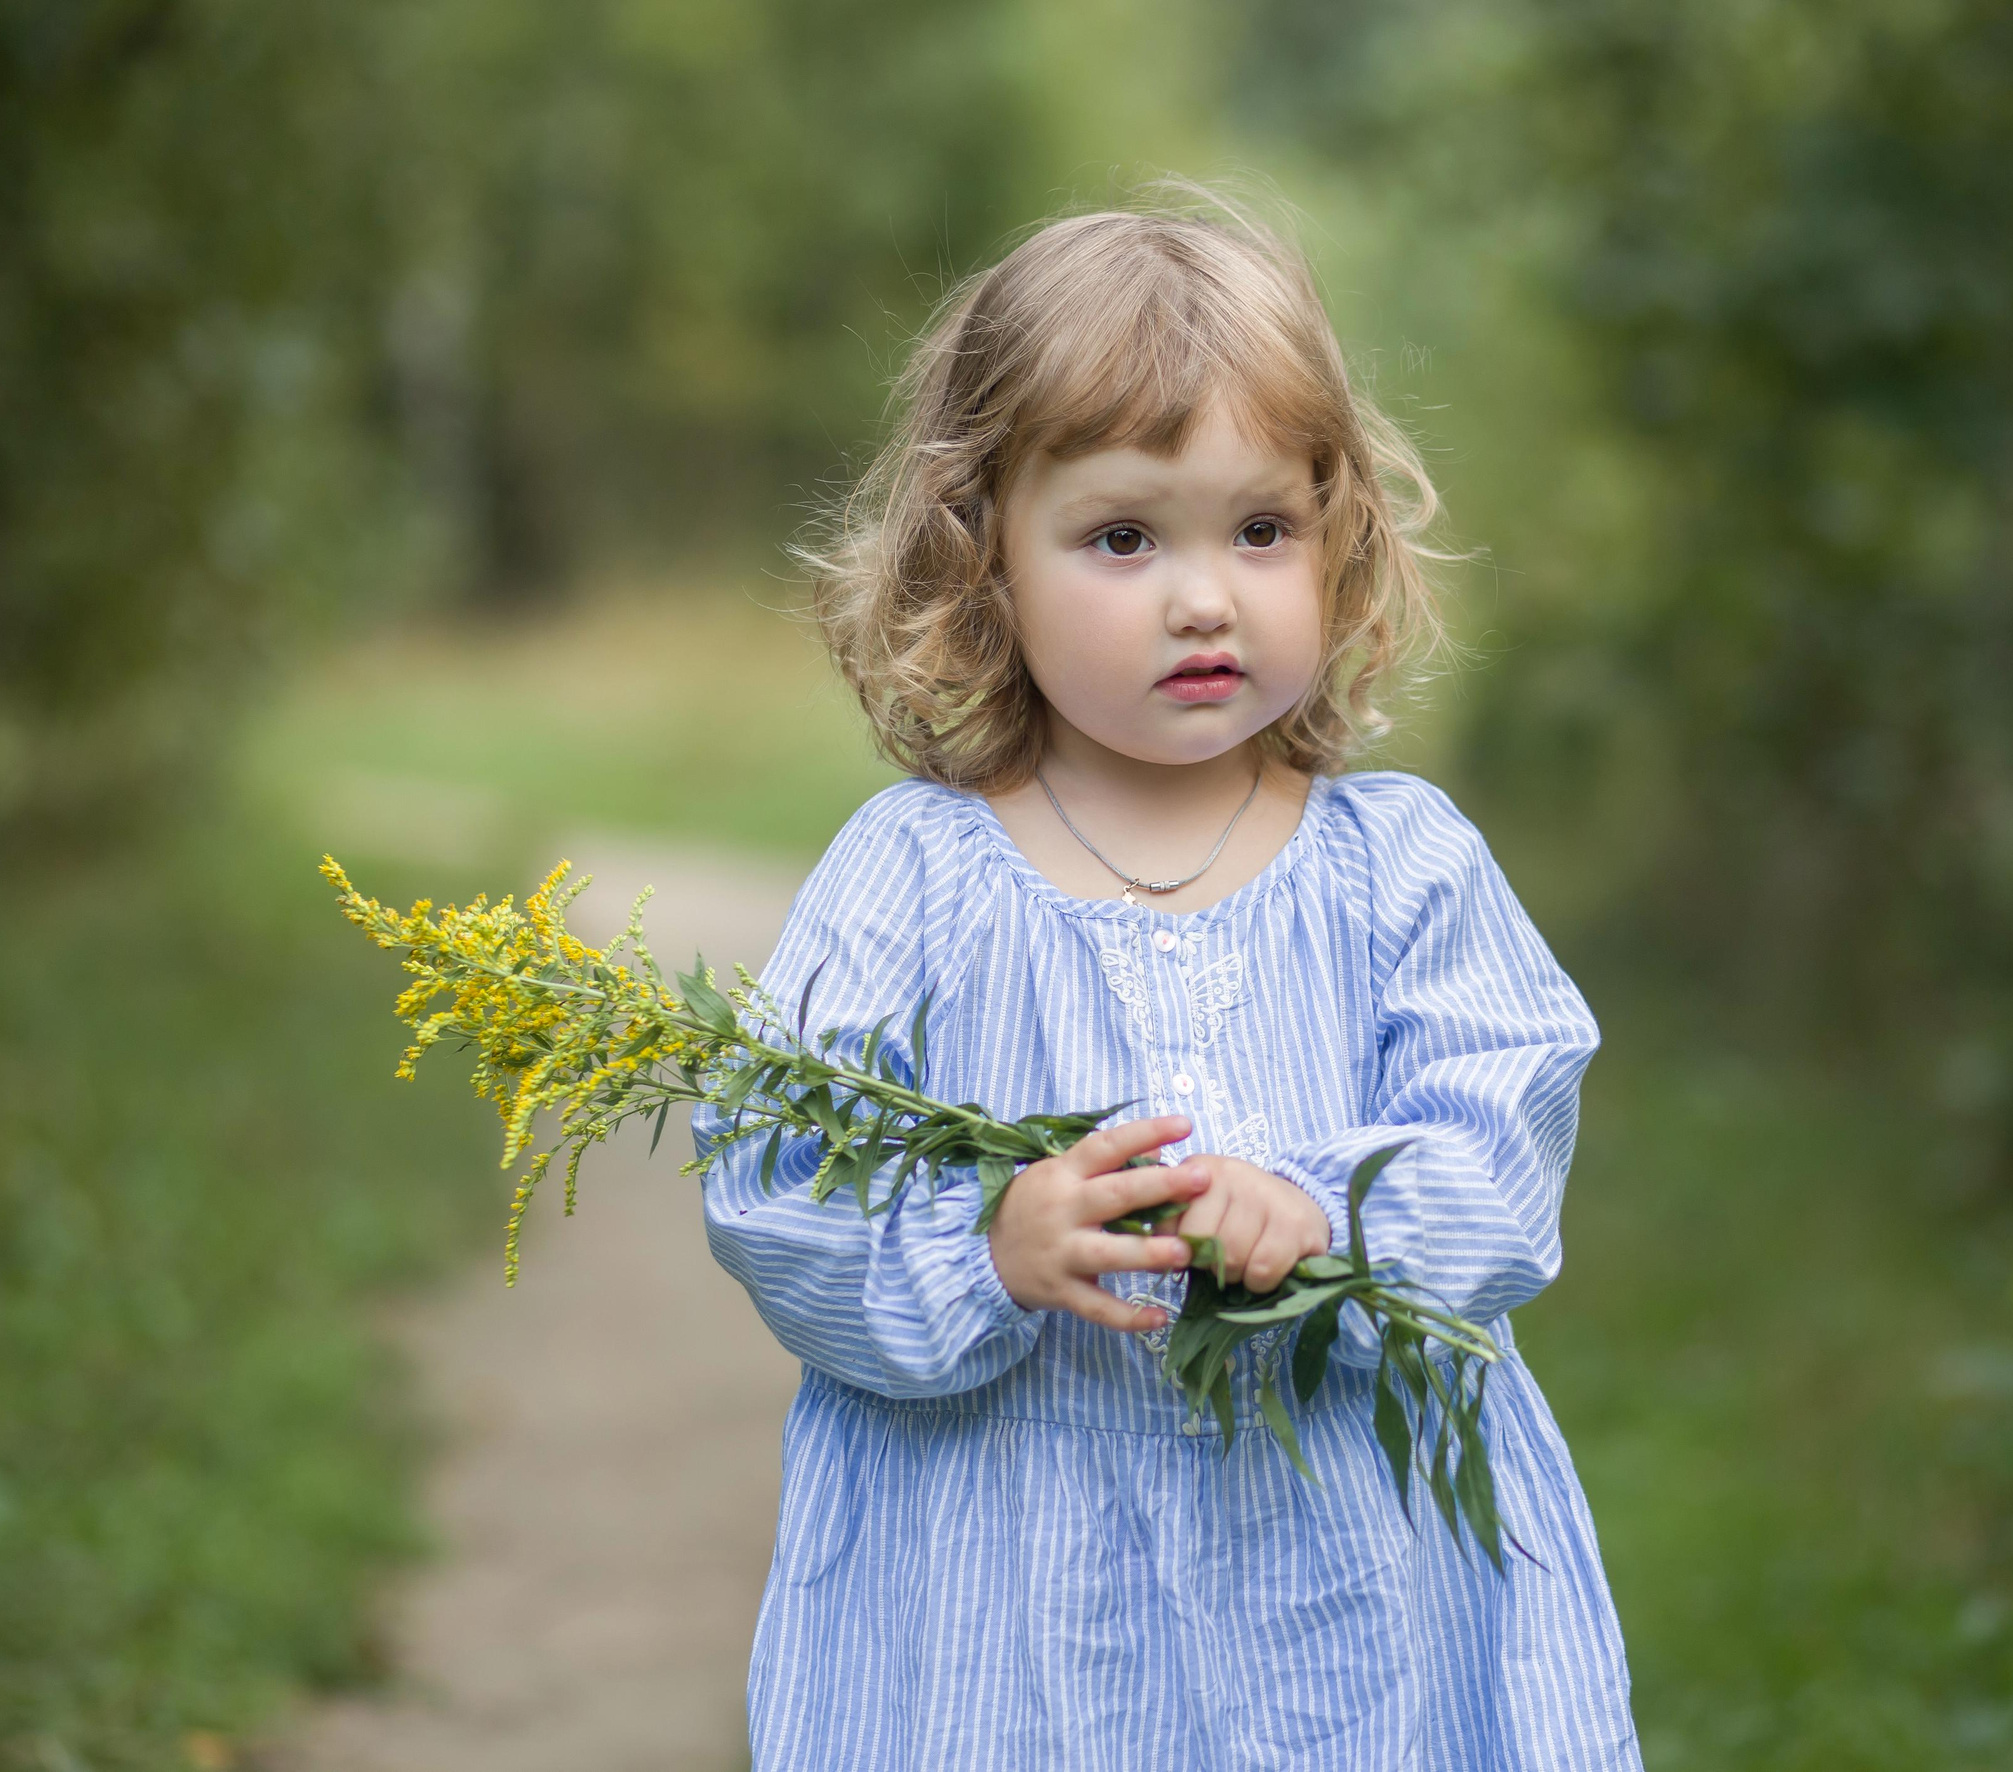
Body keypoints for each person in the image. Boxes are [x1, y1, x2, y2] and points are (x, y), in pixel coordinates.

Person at [693, 190, 1642, 1770]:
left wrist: (1327, 1207)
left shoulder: (1395, 866)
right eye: (1124, 537)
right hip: (1010, 1587)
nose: (1204, 595)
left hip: (1343, 1581)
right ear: (981, 552)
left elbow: (1503, 1129)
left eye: (1260, 529)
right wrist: (984, 1243)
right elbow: (775, 1171)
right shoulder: (915, 877)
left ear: (1338, 537)